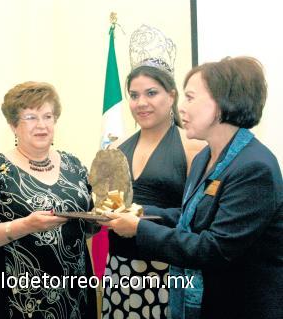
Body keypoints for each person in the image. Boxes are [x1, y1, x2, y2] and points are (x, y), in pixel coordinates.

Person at [100, 56, 283, 319]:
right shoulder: (204, 158)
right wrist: (140, 211)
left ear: (220, 104)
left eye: (190, 97)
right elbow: (191, 217)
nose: (182, 107)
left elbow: (214, 249)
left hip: (241, 305)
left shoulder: (254, 167)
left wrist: (139, 229)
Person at [0, 81, 98, 319]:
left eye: (48, 116)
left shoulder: (74, 166)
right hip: (16, 299)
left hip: (74, 294)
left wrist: (107, 216)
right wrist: (25, 226)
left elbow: (89, 224)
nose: (42, 125)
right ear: (13, 125)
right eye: (31, 118)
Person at [102, 25, 204, 319]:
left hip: (167, 269)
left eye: (151, 93)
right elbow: (109, 204)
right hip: (119, 266)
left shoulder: (193, 146)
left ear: (171, 96)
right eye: (134, 95)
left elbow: (196, 215)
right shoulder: (117, 148)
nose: (141, 103)